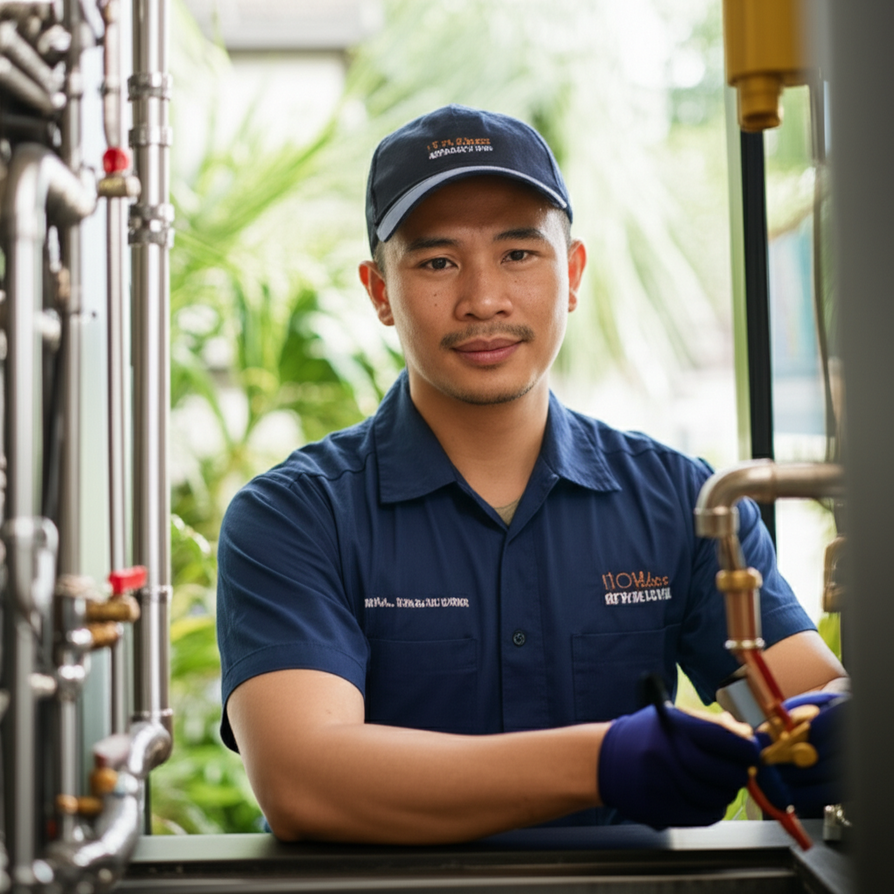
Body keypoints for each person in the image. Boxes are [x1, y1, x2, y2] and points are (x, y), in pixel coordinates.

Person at [216, 104, 848, 844]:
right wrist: (598, 763)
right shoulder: (294, 517)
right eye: (437, 261)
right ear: (380, 291)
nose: (484, 299)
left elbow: (799, 689)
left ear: (572, 272)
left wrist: (842, 725)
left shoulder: (684, 502)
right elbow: (305, 779)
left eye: (519, 254)